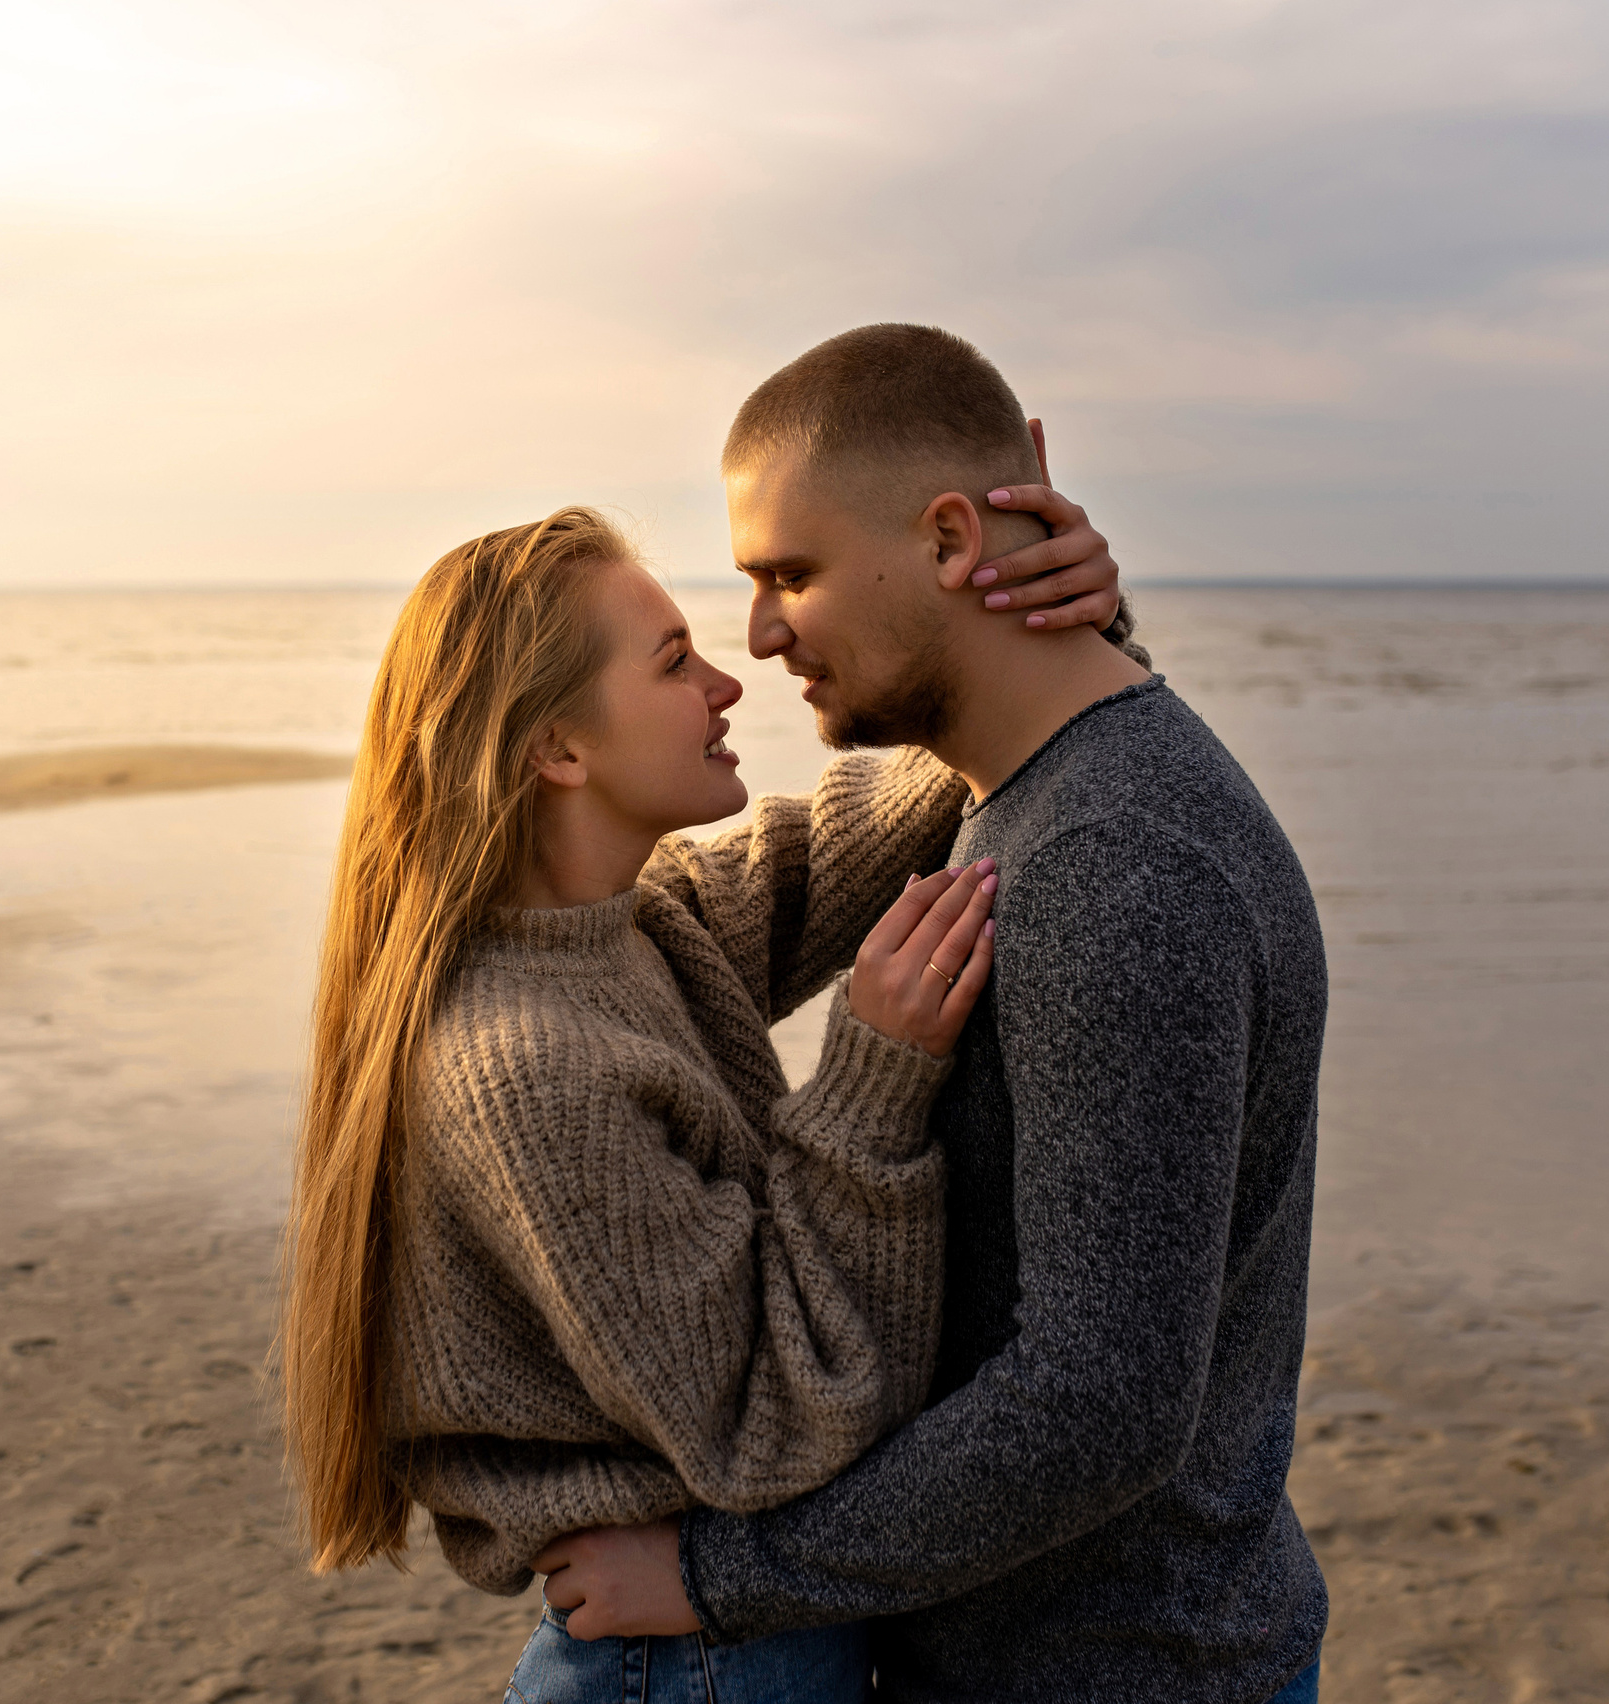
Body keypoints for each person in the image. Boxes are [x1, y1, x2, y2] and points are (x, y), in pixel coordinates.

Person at [530, 325, 1331, 1704]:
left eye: (792, 575)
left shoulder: (1111, 865)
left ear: (953, 538)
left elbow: (1100, 1408)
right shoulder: (1019, 801)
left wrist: (722, 1582)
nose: (762, 636)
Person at [281, 500, 1135, 1702]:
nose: (729, 684)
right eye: (676, 661)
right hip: (689, 1666)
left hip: (725, 1644)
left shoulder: (639, 925)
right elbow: (775, 1426)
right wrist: (873, 1077)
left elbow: (860, 828)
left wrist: (1049, 619)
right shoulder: (524, 1066)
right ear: (556, 750)